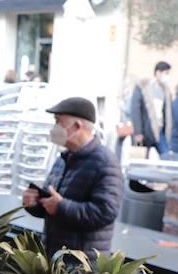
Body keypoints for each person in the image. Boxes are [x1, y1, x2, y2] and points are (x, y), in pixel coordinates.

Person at [21, 97, 123, 252]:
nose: (54, 128)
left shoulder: (105, 162)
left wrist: (62, 207)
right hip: (56, 257)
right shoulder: (63, 159)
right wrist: (34, 203)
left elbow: (105, 212)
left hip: (82, 265)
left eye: (58, 122)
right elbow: (52, 205)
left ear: (77, 126)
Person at [128, 61, 172, 156]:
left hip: (160, 130)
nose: (167, 76)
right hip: (145, 130)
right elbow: (136, 110)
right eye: (166, 73)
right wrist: (138, 131)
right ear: (158, 73)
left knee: (166, 155)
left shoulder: (166, 91)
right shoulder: (143, 87)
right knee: (141, 159)